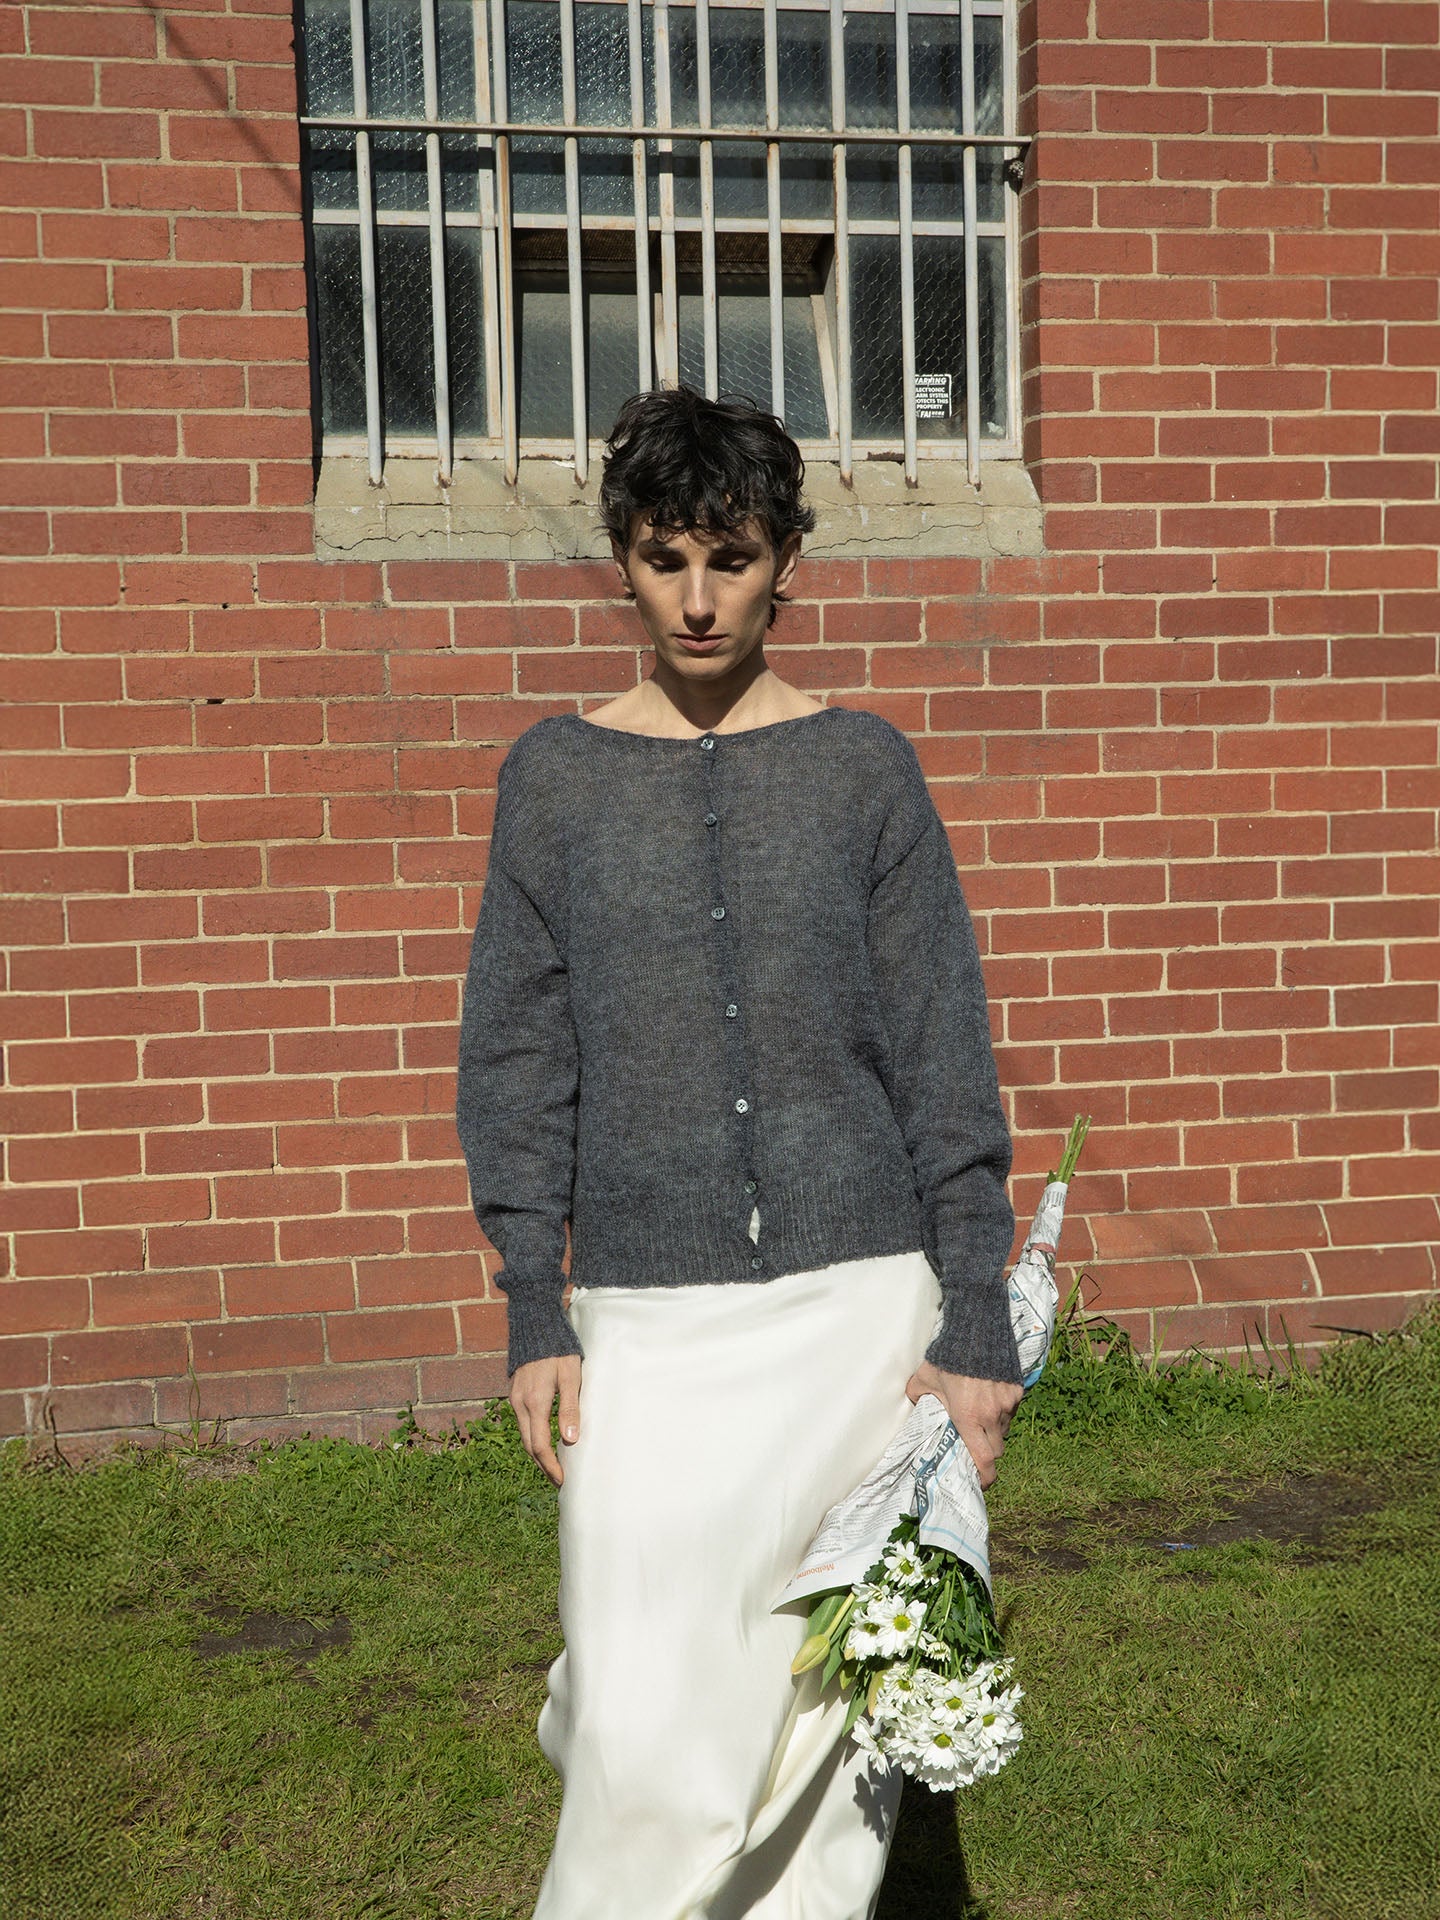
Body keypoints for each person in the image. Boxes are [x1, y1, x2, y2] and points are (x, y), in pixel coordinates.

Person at [454, 385, 1024, 1920]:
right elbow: (516, 1060)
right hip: (648, 1314)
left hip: (855, 1320)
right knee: (643, 1726)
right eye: (663, 559)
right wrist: (531, 1304)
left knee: (821, 1759)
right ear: (622, 567)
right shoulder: (554, 781)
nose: (699, 599)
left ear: (788, 561)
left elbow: (941, 1053)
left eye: (733, 556)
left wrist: (975, 1315)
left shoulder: (864, 772)